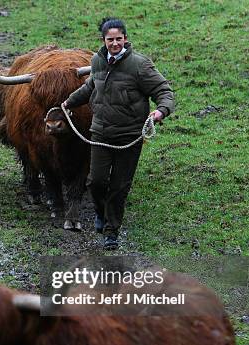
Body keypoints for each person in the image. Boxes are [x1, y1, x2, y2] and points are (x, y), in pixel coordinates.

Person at [62, 17, 174, 250]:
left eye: (118, 39)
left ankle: (111, 232)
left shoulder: (140, 65)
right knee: (96, 182)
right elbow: (90, 86)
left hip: (129, 136)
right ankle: (101, 213)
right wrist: (68, 103)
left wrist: (161, 111)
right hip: (101, 132)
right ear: (103, 40)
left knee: (120, 186)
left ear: (125, 39)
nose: (115, 43)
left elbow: (164, 90)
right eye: (110, 39)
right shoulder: (98, 61)